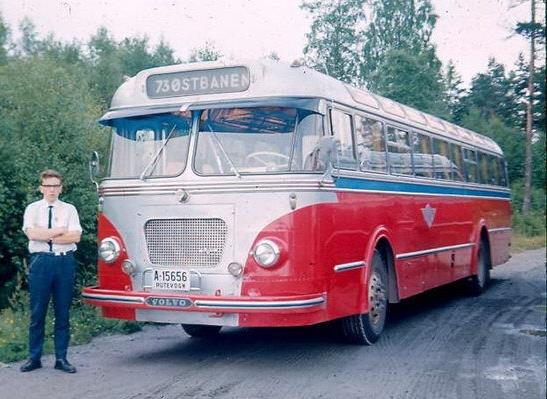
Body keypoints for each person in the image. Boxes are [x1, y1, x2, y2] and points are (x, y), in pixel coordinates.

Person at [20, 169, 82, 373]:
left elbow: (75, 237)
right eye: (48, 186)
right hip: (41, 263)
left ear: (61, 188)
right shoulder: (32, 209)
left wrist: (44, 235)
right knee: (37, 312)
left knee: (62, 312)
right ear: (41, 188)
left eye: (56, 186)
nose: (52, 190)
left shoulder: (69, 209)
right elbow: (31, 233)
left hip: (64, 263)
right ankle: (34, 357)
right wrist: (58, 232)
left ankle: (61, 359)